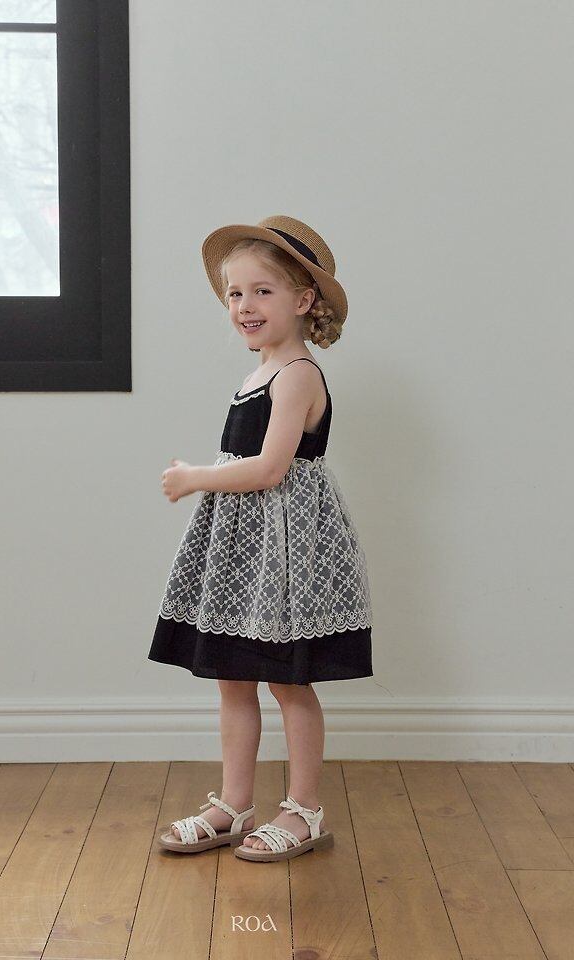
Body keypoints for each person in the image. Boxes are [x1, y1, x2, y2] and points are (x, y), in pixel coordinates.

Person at [147, 215, 373, 862]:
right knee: (233, 679)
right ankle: (233, 803)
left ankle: (303, 810)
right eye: (235, 293)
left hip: (285, 554)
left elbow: (272, 469)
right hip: (245, 551)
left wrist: (196, 477)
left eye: (262, 291)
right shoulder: (259, 372)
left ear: (303, 300)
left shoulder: (297, 373)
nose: (244, 305)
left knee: (289, 683)